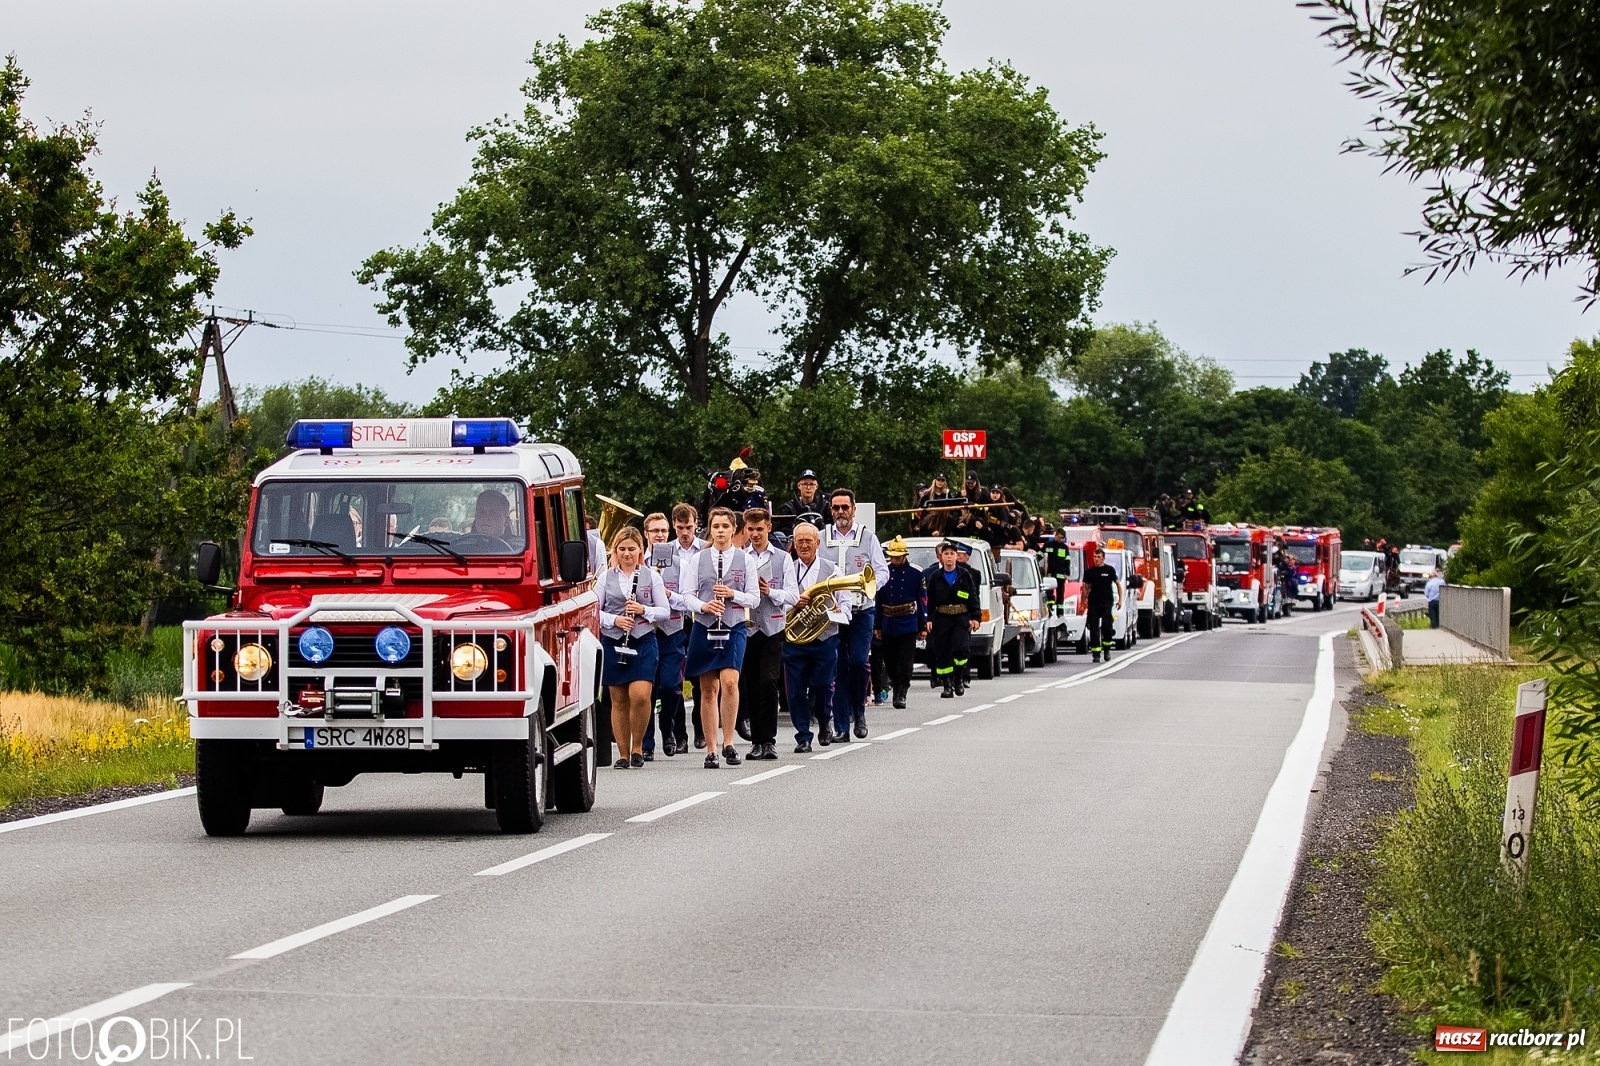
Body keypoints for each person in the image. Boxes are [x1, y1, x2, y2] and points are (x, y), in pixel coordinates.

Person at [683, 507, 760, 768]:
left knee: (729, 682)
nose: (720, 531)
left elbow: (754, 597)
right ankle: (711, 749)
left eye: (725, 526)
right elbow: (687, 594)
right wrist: (703, 606)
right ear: (710, 529)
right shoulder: (699, 559)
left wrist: (731, 594)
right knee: (708, 689)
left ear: (733, 529)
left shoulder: (744, 559)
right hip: (705, 625)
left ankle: (729, 742)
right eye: (716, 526)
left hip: (734, 624)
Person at [597, 527, 670, 769]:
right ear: (615, 550)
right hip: (614, 640)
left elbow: (665, 611)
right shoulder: (606, 577)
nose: (627, 553)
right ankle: (623, 753)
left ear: (640, 550)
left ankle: (638, 746)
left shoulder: (651, 576)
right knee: (618, 698)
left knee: (640, 695)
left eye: (632, 548)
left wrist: (643, 610)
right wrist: (614, 620)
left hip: (643, 639)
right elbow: (594, 611)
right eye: (622, 549)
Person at [822, 488, 889, 742]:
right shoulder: (821, 537)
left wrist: (868, 585)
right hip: (833, 612)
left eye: (845, 507)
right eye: (836, 507)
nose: (841, 512)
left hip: (862, 610)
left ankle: (859, 712)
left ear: (853, 509)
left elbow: (882, 572)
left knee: (859, 662)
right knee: (836, 667)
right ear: (831, 510)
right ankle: (841, 725)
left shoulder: (868, 537)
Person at [740, 507, 797, 761]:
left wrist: (770, 592)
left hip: (773, 627)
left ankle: (769, 740)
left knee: (769, 681)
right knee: (751, 684)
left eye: (759, 529)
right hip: (749, 627)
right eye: (750, 529)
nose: (755, 534)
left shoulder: (783, 558)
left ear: (769, 528)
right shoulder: (740, 557)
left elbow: (793, 596)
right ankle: (756, 741)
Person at [784, 523, 845, 752]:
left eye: (808, 540)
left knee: (822, 685)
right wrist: (793, 601)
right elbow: (781, 600)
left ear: (817, 543)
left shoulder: (833, 569)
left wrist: (833, 612)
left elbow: (845, 605)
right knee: (795, 690)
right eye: (799, 540)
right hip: (794, 640)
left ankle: (824, 720)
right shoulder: (788, 568)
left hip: (824, 638)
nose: (804, 544)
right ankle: (803, 736)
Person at [642, 512, 689, 758]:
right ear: (646, 534)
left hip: (672, 631)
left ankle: (668, 729)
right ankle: (647, 744)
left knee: (671, 685)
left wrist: (671, 597)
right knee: (646, 688)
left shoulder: (680, 563)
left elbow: (688, 599)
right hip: (646, 632)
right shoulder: (639, 563)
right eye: (654, 531)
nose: (659, 535)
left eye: (663, 531)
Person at [667, 503, 707, 751]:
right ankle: (679, 734)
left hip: (699, 617)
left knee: (701, 674)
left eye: (689, 527)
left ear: (696, 525)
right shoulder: (664, 552)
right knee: (676, 679)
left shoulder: (705, 550)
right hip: (675, 618)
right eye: (680, 527)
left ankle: (701, 729)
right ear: (674, 525)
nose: (684, 532)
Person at [923, 541, 981, 698]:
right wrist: (928, 619)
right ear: (941, 557)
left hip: (960, 617)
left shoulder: (964, 575)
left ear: (957, 556)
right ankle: (947, 684)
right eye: (946, 554)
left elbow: (973, 597)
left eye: (952, 554)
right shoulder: (936, 577)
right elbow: (930, 599)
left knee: (961, 648)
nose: (949, 557)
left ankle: (959, 679)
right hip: (942, 618)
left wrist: (975, 617)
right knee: (942, 651)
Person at [874, 536, 926, 708]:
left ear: (905, 556)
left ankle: (902, 692)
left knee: (905, 661)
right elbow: (878, 600)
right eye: (892, 557)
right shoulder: (884, 572)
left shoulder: (916, 573)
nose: (895, 560)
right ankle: (896, 685)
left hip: (908, 621)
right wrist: (877, 625)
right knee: (889, 661)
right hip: (889, 621)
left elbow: (922, 600)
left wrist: (922, 625)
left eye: (898, 556)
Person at [1083, 545, 1122, 662]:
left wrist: (1120, 599)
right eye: (1095, 557)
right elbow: (1086, 588)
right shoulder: (1089, 572)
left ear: (1103, 558)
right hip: (1094, 603)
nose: (1096, 559)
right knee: (1094, 628)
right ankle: (1096, 653)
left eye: (1098, 557)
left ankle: (1107, 649)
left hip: (1106, 602)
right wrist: (1083, 602)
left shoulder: (1109, 570)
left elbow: (1118, 584)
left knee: (1107, 626)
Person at [1042, 526, 1072, 612]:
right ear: (1056, 535)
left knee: (1060, 595)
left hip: (1061, 575)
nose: (1061, 539)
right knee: (1049, 593)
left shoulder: (1064, 548)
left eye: (1063, 538)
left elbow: (1067, 561)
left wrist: (1067, 573)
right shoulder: (1048, 545)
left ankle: (1060, 613)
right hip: (1050, 574)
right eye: (1060, 537)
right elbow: (1040, 555)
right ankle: (1050, 609)